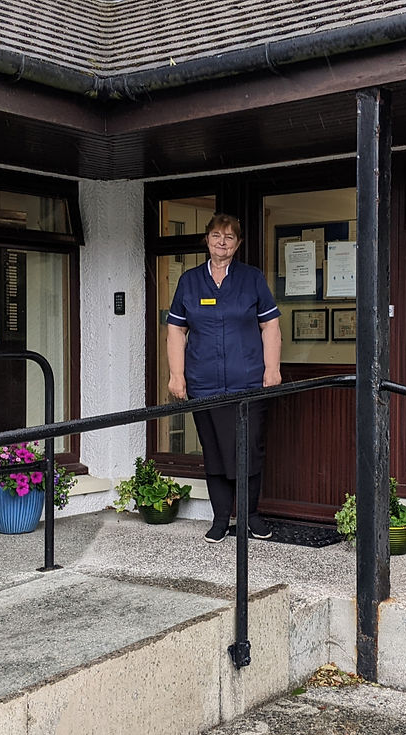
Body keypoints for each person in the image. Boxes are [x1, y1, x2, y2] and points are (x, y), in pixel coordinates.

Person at [166, 213, 282, 543]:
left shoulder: (252, 278)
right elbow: (176, 329)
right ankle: (220, 519)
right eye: (216, 235)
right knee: (214, 451)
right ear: (207, 240)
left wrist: (271, 369)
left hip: (248, 383)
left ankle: (250, 517)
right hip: (204, 383)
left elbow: (270, 325)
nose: (222, 242)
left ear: (238, 244)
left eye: (229, 237)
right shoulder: (189, 281)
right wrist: (177, 375)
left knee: (249, 450)